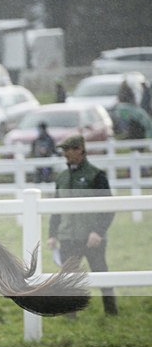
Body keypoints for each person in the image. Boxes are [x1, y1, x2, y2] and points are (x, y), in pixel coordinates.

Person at [47, 134, 118, 316]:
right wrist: (52, 234)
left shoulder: (96, 175)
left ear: (79, 150)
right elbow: (56, 208)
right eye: (63, 150)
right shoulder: (62, 178)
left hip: (91, 237)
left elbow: (108, 207)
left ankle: (111, 311)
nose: (65, 154)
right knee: (68, 277)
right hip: (68, 237)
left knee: (101, 272)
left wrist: (98, 232)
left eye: (68, 150)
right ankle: (70, 315)